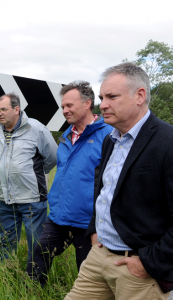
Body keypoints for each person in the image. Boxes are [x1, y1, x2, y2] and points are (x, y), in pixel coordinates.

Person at [53, 62, 173, 300]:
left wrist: (148, 263)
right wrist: (94, 231)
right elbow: (102, 190)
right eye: (102, 97)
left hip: (138, 266)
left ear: (140, 95)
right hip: (100, 254)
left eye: (112, 97)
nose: (103, 104)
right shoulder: (110, 140)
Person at [26, 81, 112, 286]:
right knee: (39, 257)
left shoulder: (108, 135)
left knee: (87, 272)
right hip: (59, 217)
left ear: (87, 104)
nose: (65, 110)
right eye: (63, 106)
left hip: (89, 221)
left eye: (69, 105)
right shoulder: (65, 137)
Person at [0, 93, 57, 264]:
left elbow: (53, 157)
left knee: (36, 241)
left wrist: (33, 175)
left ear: (16, 109)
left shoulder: (36, 128)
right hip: (5, 198)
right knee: (5, 241)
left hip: (31, 197)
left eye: (3, 109)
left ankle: (35, 280)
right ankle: (6, 276)